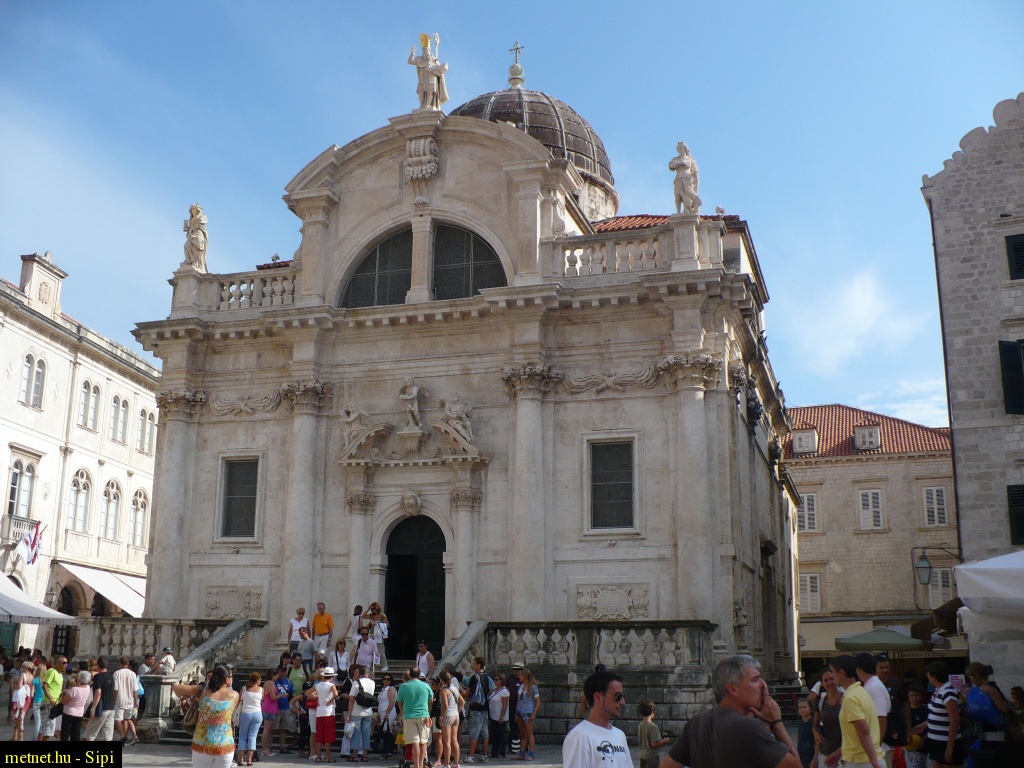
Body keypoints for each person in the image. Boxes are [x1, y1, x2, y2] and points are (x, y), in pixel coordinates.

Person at [661, 654, 799, 768]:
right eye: (755, 679)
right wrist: (776, 723)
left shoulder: (696, 722)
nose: (763, 685)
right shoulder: (748, 726)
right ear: (733, 688)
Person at [172, 665, 240, 768]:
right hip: (224, 744)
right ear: (227, 679)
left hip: (202, 742)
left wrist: (192, 694)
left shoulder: (202, 691)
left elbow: (175, 688)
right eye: (231, 676)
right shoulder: (235, 695)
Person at [562, 669, 631, 768]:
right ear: (597, 697)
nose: (622, 702)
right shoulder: (579, 737)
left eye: (623, 696)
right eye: (618, 696)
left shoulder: (620, 735)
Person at [828, 654, 882, 768]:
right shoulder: (861, 692)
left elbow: (863, 731)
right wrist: (839, 753)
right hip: (864, 758)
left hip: (860, 761)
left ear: (841, 672)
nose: (832, 676)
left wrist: (874, 763)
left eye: (832, 671)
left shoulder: (850, 698)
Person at [854, 653, 891, 764]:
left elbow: (881, 720)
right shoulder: (870, 686)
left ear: (859, 670)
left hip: (878, 748)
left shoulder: (874, 688)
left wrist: (874, 748)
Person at [925, 662, 962, 767]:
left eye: (928, 674)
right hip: (934, 739)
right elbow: (935, 714)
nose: (927, 677)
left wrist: (950, 747)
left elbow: (954, 720)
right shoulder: (937, 691)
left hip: (945, 741)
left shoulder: (948, 693)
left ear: (934, 676)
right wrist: (923, 725)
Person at [874, 653, 908, 765]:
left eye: (887, 667)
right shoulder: (870, 685)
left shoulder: (895, 683)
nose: (885, 670)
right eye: (881, 668)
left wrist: (908, 728)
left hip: (893, 731)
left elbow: (905, 705)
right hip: (876, 731)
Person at [398, 667, 434, 768]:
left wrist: (402, 711)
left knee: (414, 742)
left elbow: (399, 701)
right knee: (423, 741)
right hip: (423, 715)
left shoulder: (403, 686)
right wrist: (428, 711)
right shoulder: (426, 685)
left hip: (409, 716)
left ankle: (416, 765)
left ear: (409, 675)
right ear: (419, 675)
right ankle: (421, 764)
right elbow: (431, 700)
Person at [407, 34, 449, 111]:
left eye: (426, 50)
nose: (424, 52)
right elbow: (410, 61)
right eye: (423, 51)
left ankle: (428, 105)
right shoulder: (419, 59)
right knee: (421, 93)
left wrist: (431, 68)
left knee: (430, 92)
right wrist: (412, 53)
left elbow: (440, 71)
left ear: (429, 51)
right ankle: (422, 106)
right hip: (422, 79)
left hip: (431, 79)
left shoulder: (434, 61)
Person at [813, 669, 843, 768]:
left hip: (844, 752)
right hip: (826, 752)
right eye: (825, 680)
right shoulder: (820, 703)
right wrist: (815, 733)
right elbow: (815, 725)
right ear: (822, 683)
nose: (829, 683)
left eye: (832, 679)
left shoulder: (846, 699)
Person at [464, 657, 491, 763]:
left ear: (479, 665)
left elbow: (467, 693)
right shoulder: (487, 677)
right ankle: (485, 755)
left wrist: (460, 691)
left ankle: (471, 756)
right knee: (485, 733)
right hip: (485, 707)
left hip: (476, 708)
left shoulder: (474, 678)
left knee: (474, 732)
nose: (473, 665)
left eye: (474, 663)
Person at [83, 657, 117, 742]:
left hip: (101, 708)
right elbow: (115, 690)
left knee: (90, 733)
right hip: (111, 707)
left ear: (98, 665)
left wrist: (93, 709)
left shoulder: (98, 677)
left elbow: (98, 693)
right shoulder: (111, 676)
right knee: (108, 736)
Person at [348, 664, 376, 762]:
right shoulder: (372, 683)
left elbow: (351, 699)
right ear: (367, 673)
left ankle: (355, 755)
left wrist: (349, 713)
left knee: (356, 733)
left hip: (357, 711)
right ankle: (365, 755)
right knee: (366, 733)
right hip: (368, 711)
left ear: (359, 673)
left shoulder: (356, 683)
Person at [438, 669, 465, 768]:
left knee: (447, 741)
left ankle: (446, 763)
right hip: (455, 715)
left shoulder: (443, 690)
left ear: (441, 680)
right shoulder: (454, 688)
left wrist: (441, 716)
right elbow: (462, 702)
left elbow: (445, 705)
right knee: (454, 740)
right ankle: (456, 763)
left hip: (447, 715)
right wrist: (457, 711)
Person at [38, 655, 68, 741]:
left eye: (67, 663)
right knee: (48, 729)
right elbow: (44, 685)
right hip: (49, 702)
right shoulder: (51, 671)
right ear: (58, 663)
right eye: (64, 663)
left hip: (55, 704)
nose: (66, 665)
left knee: (44, 728)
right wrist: (50, 698)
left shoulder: (60, 675)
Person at [314, 666, 339, 763]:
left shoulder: (317, 685)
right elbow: (336, 694)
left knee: (319, 735)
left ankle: (318, 757)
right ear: (331, 677)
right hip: (329, 711)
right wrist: (330, 700)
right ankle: (327, 756)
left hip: (319, 711)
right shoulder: (331, 685)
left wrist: (317, 698)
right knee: (328, 735)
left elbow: (307, 693)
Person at [112, 655, 139, 745]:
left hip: (120, 699)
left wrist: (114, 698)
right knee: (128, 719)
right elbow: (135, 689)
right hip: (130, 700)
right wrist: (136, 700)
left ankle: (123, 736)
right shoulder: (133, 674)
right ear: (128, 664)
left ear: (120, 664)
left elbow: (115, 688)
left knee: (117, 719)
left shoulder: (116, 673)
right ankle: (134, 736)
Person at [238, 672, 264, 767]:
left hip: (246, 713)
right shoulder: (261, 690)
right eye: (260, 679)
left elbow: (239, 700)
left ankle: (240, 759)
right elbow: (262, 700)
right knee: (252, 736)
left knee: (242, 736)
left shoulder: (244, 688)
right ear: (257, 680)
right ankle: (249, 760)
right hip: (257, 713)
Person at [514, 668, 540, 761]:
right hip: (520, 712)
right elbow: (518, 701)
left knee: (529, 733)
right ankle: (521, 753)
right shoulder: (521, 686)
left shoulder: (533, 687)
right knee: (523, 734)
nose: (519, 676)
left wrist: (534, 714)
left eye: (521, 675)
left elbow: (538, 701)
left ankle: (531, 754)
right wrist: (516, 713)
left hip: (528, 712)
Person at [669, 141, 701, 214]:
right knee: (677, 195)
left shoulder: (690, 159)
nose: (680, 149)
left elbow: (695, 170)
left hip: (688, 179)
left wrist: (695, 178)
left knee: (688, 193)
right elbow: (671, 166)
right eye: (678, 148)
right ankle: (678, 211)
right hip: (678, 179)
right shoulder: (675, 159)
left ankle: (687, 208)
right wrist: (681, 163)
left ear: (685, 149)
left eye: (681, 148)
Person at [637, 699, 671, 768]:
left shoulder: (640, 725)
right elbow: (654, 744)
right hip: (652, 756)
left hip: (642, 755)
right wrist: (665, 740)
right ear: (652, 711)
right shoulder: (653, 726)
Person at [60, 670, 93, 742]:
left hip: (69, 712)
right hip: (79, 713)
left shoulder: (74, 690)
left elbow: (63, 701)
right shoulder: (87, 687)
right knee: (76, 733)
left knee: (65, 733)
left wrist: (63, 694)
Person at [272, 665, 297, 754]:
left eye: (284, 671)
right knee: (273, 728)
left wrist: (293, 706)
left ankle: (282, 747)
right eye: (281, 671)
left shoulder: (289, 682)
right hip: (276, 708)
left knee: (283, 728)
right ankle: (269, 746)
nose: (282, 673)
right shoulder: (274, 682)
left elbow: (293, 694)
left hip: (286, 708)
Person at [904, 684, 928, 768]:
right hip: (907, 747)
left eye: (917, 695)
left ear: (921, 696)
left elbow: (931, 727)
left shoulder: (926, 710)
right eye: (912, 695)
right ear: (908, 697)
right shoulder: (905, 711)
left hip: (921, 747)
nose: (914, 698)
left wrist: (923, 738)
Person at [488, 673, 510, 759]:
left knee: (501, 735)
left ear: (501, 680)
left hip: (500, 717)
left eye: (497, 679)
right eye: (495, 679)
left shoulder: (504, 691)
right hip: (493, 715)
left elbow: (505, 705)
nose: (495, 681)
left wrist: (502, 717)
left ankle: (502, 752)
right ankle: (494, 752)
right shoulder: (494, 690)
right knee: (495, 734)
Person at [362, 602, 390, 670]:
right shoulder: (371, 616)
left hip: (378, 635)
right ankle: (374, 664)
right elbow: (363, 616)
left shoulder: (382, 616)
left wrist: (380, 624)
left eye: (375, 608)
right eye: (372, 609)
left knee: (380, 649)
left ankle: (385, 665)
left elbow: (387, 625)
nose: (373, 610)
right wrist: (368, 608)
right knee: (371, 649)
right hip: (372, 634)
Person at [377, 672, 398, 759]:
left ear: (391, 681)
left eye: (388, 679)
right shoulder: (383, 689)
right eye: (384, 679)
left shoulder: (391, 689)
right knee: (384, 731)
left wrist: (387, 713)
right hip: (382, 713)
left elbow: (392, 702)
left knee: (387, 731)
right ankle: (386, 751)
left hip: (388, 713)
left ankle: (388, 752)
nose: (386, 681)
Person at [10, 660, 33, 741]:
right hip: (28, 698)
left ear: (26, 667)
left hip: (21, 698)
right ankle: (15, 736)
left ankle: (20, 737)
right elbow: (32, 690)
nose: (21, 668)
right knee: (20, 717)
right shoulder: (32, 676)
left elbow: (19, 686)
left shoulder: (23, 675)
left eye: (23, 666)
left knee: (18, 717)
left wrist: (14, 684)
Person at [183, 203, 209, 271]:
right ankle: (189, 261)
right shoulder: (191, 219)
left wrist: (192, 228)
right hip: (192, 234)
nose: (193, 211)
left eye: (194, 209)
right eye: (192, 210)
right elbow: (191, 229)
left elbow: (200, 224)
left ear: (197, 210)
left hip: (199, 234)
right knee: (186, 245)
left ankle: (196, 263)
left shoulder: (202, 216)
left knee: (197, 247)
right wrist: (187, 228)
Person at [261, 668, 278, 757]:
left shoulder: (266, 683)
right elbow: (273, 697)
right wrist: (282, 695)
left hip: (268, 707)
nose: (277, 676)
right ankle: (264, 750)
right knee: (266, 730)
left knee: (268, 730)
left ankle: (266, 748)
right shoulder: (270, 683)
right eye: (276, 675)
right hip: (269, 708)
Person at [797, 700, 816, 768]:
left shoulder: (813, 723)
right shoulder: (800, 723)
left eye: (804, 707)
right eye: (800, 708)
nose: (802, 709)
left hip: (810, 754)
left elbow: (817, 742)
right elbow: (799, 738)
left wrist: (815, 758)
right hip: (801, 754)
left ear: (811, 709)